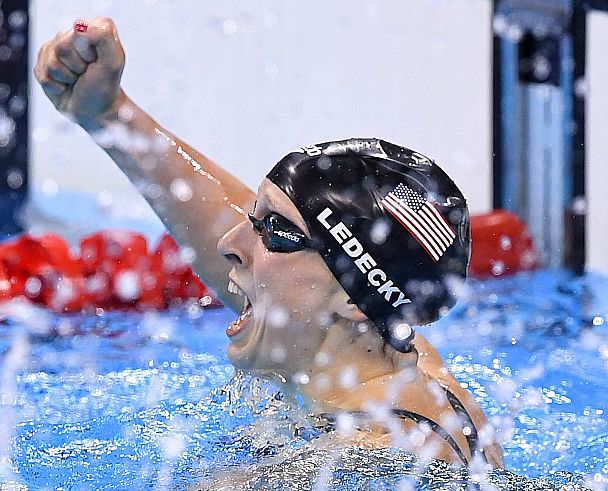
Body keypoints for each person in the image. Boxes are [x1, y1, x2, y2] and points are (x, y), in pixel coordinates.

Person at [34, 16, 504, 468]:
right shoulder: (414, 374)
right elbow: (304, 268)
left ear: (356, 297)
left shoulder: (366, 461)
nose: (229, 243)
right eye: (253, 218)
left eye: (275, 231)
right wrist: (111, 114)